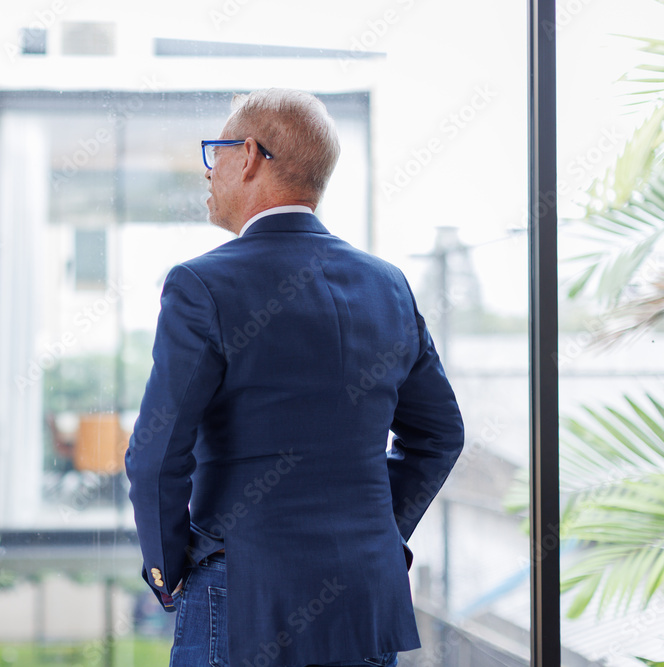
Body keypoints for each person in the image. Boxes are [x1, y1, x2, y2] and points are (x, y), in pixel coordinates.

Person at [124, 88, 463, 667]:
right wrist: (378, 530)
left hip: (244, 595)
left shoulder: (201, 286)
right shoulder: (388, 286)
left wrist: (168, 568)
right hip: (363, 595)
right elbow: (439, 435)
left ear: (248, 156)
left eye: (215, 152)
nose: (208, 170)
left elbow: (156, 453)